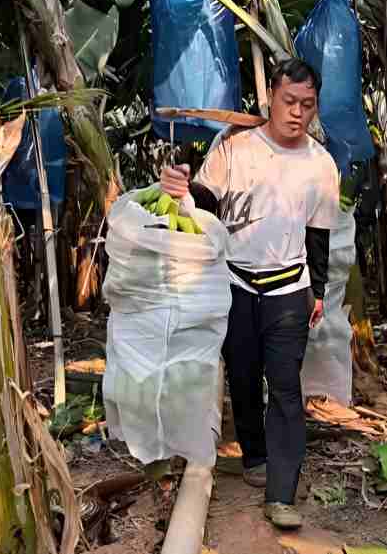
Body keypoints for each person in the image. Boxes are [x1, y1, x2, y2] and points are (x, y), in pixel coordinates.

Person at [159, 58, 339, 529]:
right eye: (289, 101)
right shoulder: (235, 146)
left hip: (289, 288)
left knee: (284, 387)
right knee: (241, 374)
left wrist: (318, 291)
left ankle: (282, 493)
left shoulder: (321, 164)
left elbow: (319, 234)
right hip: (236, 282)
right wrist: (182, 190)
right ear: (270, 99)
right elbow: (207, 201)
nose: (297, 112)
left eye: (307, 104)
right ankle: (255, 457)